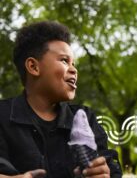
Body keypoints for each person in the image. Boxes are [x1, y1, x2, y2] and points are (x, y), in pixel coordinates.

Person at [0, 21, 122, 178]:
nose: (74, 70)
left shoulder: (86, 118)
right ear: (33, 67)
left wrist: (104, 172)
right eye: (64, 60)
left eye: (74, 63)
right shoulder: (2, 117)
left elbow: (112, 169)